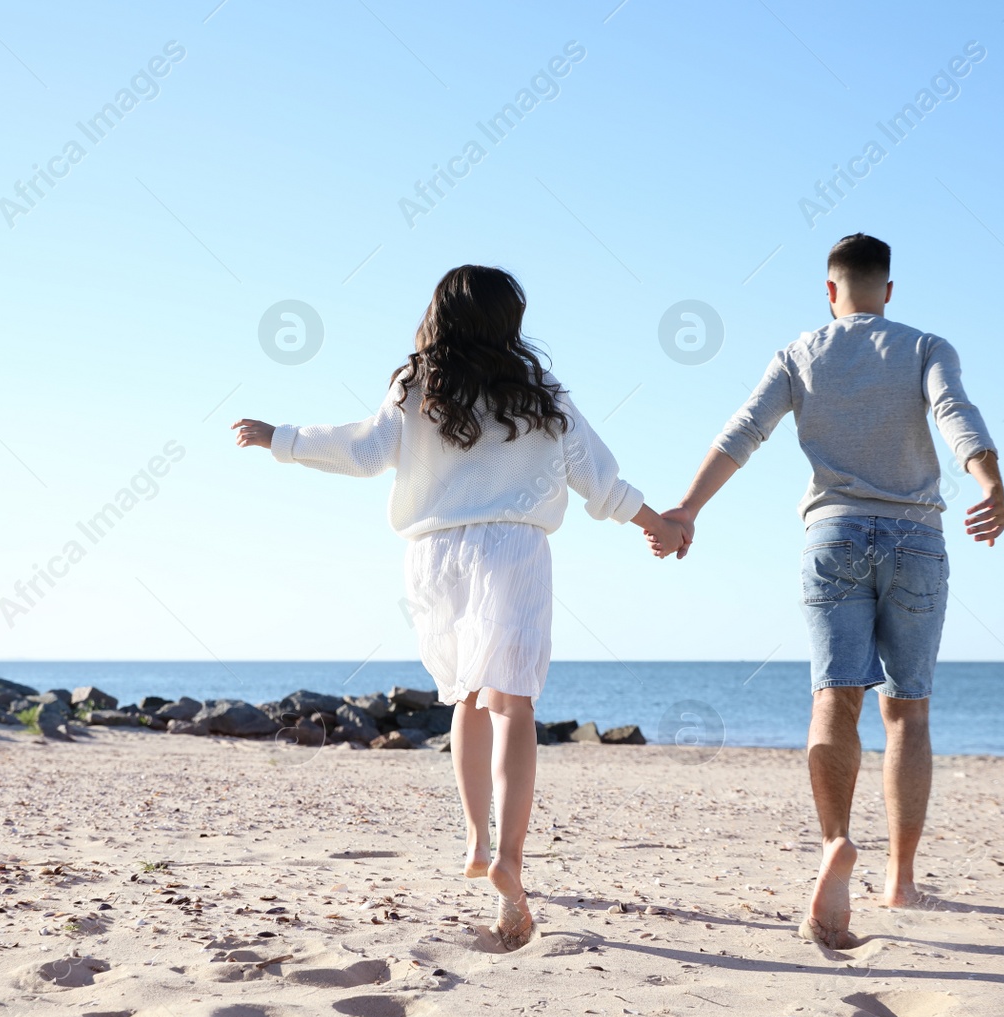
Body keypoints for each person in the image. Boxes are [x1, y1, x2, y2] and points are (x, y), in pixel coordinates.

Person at [236, 265, 686, 949]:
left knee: (468, 699)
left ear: (439, 316)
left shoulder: (419, 384)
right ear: (511, 321)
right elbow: (599, 476)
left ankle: (477, 839)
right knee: (514, 704)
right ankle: (510, 852)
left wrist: (282, 438)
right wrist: (654, 521)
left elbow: (362, 450)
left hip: (434, 556)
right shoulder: (538, 391)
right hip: (513, 549)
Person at [650, 233, 1004, 949]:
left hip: (834, 534)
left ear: (830, 289)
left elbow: (743, 432)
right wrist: (988, 479)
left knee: (832, 695)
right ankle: (901, 879)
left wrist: (686, 509)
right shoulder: (926, 346)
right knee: (905, 710)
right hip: (915, 538)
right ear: (889, 290)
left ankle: (836, 842)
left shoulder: (800, 352)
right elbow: (953, 411)